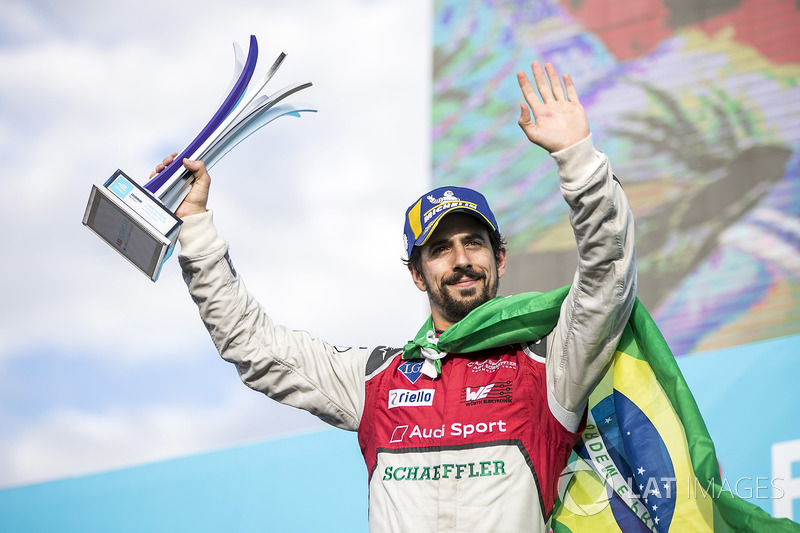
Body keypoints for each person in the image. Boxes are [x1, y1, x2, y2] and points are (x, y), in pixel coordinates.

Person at [154, 61, 636, 533]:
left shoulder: (549, 367)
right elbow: (250, 344)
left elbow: (606, 276)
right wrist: (195, 224)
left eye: (474, 243)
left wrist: (577, 157)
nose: (461, 259)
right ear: (417, 275)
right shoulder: (376, 381)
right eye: (441, 250)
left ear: (500, 259)